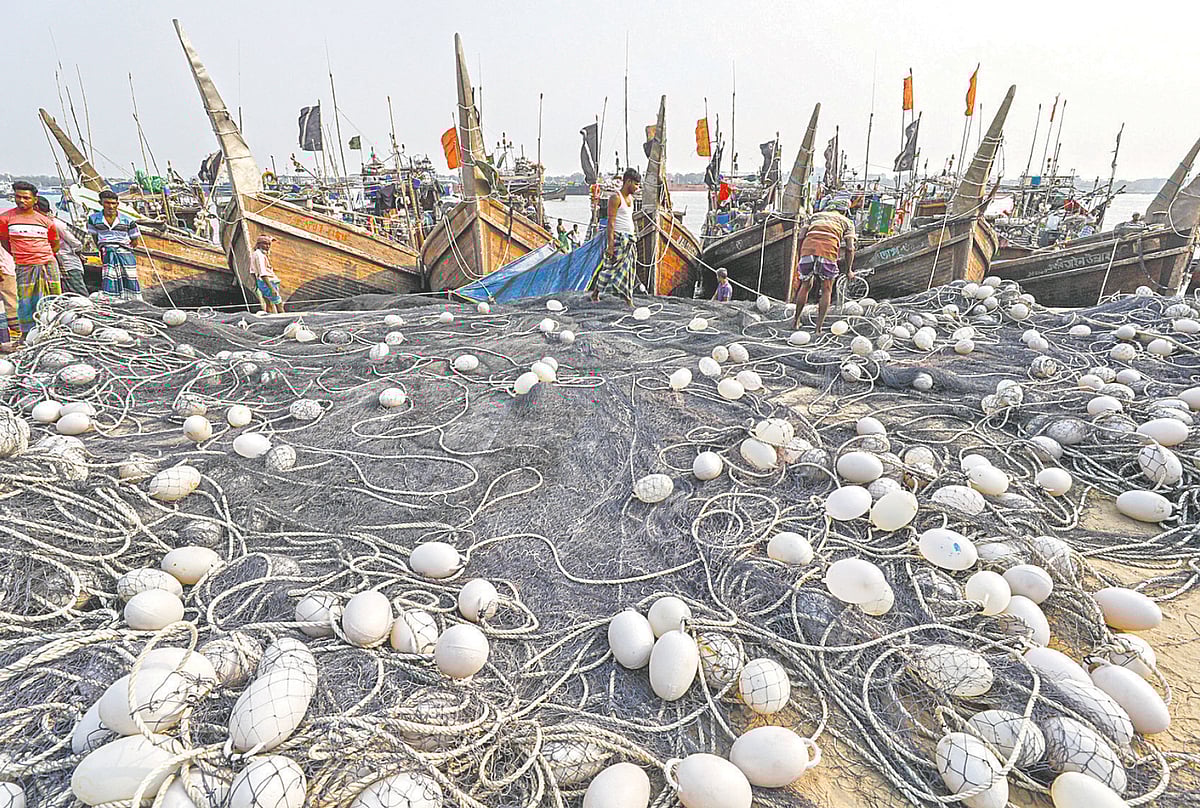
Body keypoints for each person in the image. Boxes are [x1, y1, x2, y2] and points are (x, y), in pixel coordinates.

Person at [0, 181, 61, 339]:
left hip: (47, 265)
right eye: (18, 197)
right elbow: (5, 241)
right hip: (24, 266)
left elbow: (54, 243)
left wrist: (43, 257)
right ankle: (27, 334)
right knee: (26, 302)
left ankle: (54, 330)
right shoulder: (5, 219)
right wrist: (20, 255)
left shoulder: (45, 221)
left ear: (35, 199)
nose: (21, 200)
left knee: (52, 300)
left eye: (26, 198)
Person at [790, 197, 856, 332]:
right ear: (844, 211)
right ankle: (818, 329)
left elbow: (801, 236)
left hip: (807, 249)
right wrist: (849, 270)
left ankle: (795, 322)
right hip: (827, 252)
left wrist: (800, 255)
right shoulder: (847, 222)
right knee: (827, 289)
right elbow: (850, 248)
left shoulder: (815, 216)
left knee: (805, 285)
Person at [590, 168, 641, 305]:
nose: (637, 187)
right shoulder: (615, 198)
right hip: (619, 238)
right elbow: (611, 223)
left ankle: (627, 297)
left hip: (629, 239)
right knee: (611, 268)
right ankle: (596, 293)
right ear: (628, 181)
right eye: (635, 184)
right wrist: (610, 245)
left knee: (628, 270)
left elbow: (629, 219)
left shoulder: (631, 198)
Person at [87, 190, 143, 302]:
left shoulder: (128, 220)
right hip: (107, 252)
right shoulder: (93, 219)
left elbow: (135, 241)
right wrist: (104, 247)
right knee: (110, 277)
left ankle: (133, 301)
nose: (111, 206)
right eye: (107, 203)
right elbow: (95, 237)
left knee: (130, 277)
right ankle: (112, 301)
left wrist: (123, 248)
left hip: (125, 252)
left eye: (113, 203)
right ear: (101, 203)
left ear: (117, 204)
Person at [37, 198, 87, 296]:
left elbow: (75, 243)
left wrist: (78, 253)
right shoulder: (43, 223)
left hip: (68, 264)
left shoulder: (55, 223)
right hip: (55, 267)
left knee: (79, 294)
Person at [250, 235, 284, 314]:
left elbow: (252, 271)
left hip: (261, 282)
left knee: (269, 304)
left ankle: (270, 319)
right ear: (259, 244)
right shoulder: (260, 256)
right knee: (279, 304)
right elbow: (263, 273)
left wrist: (256, 284)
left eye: (269, 244)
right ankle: (284, 320)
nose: (268, 246)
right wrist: (272, 288)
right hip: (268, 282)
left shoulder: (255, 254)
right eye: (265, 244)